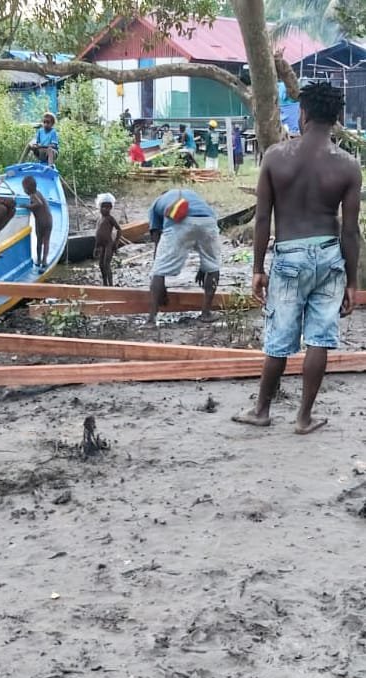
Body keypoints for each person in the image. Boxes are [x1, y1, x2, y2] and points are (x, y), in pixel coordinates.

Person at [232, 82, 362, 435]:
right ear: (336, 117)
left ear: (302, 114)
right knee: (319, 338)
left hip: (289, 254)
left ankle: (262, 410)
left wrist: (257, 269)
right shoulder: (348, 166)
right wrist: (352, 282)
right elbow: (351, 231)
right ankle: (304, 418)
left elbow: (262, 218)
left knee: (279, 338)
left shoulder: (276, 156)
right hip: (329, 256)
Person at [147, 188, 221, 325]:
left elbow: (156, 239)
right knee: (212, 265)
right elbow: (199, 227)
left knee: (158, 270)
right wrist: (204, 268)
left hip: (180, 222)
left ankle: (151, 320)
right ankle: (206, 313)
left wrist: (159, 274)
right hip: (208, 220)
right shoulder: (192, 195)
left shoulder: (156, 203)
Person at [22, 176, 52, 269]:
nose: (24, 190)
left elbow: (39, 203)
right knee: (46, 241)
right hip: (49, 220)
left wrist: (27, 206)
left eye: (24, 188)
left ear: (27, 188)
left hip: (41, 221)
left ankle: (39, 260)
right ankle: (44, 261)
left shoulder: (33, 195)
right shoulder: (39, 193)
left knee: (39, 241)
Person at [93, 193, 122, 287]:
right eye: (103, 207)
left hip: (109, 244)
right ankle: (105, 283)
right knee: (101, 265)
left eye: (107, 207)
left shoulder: (110, 218)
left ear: (111, 208)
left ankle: (111, 284)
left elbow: (119, 229)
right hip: (101, 245)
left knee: (106, 264)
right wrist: (96, 247)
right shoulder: (99, 219)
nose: (105, 209)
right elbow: (98, 234)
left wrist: (116, 242)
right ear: (99, 207)